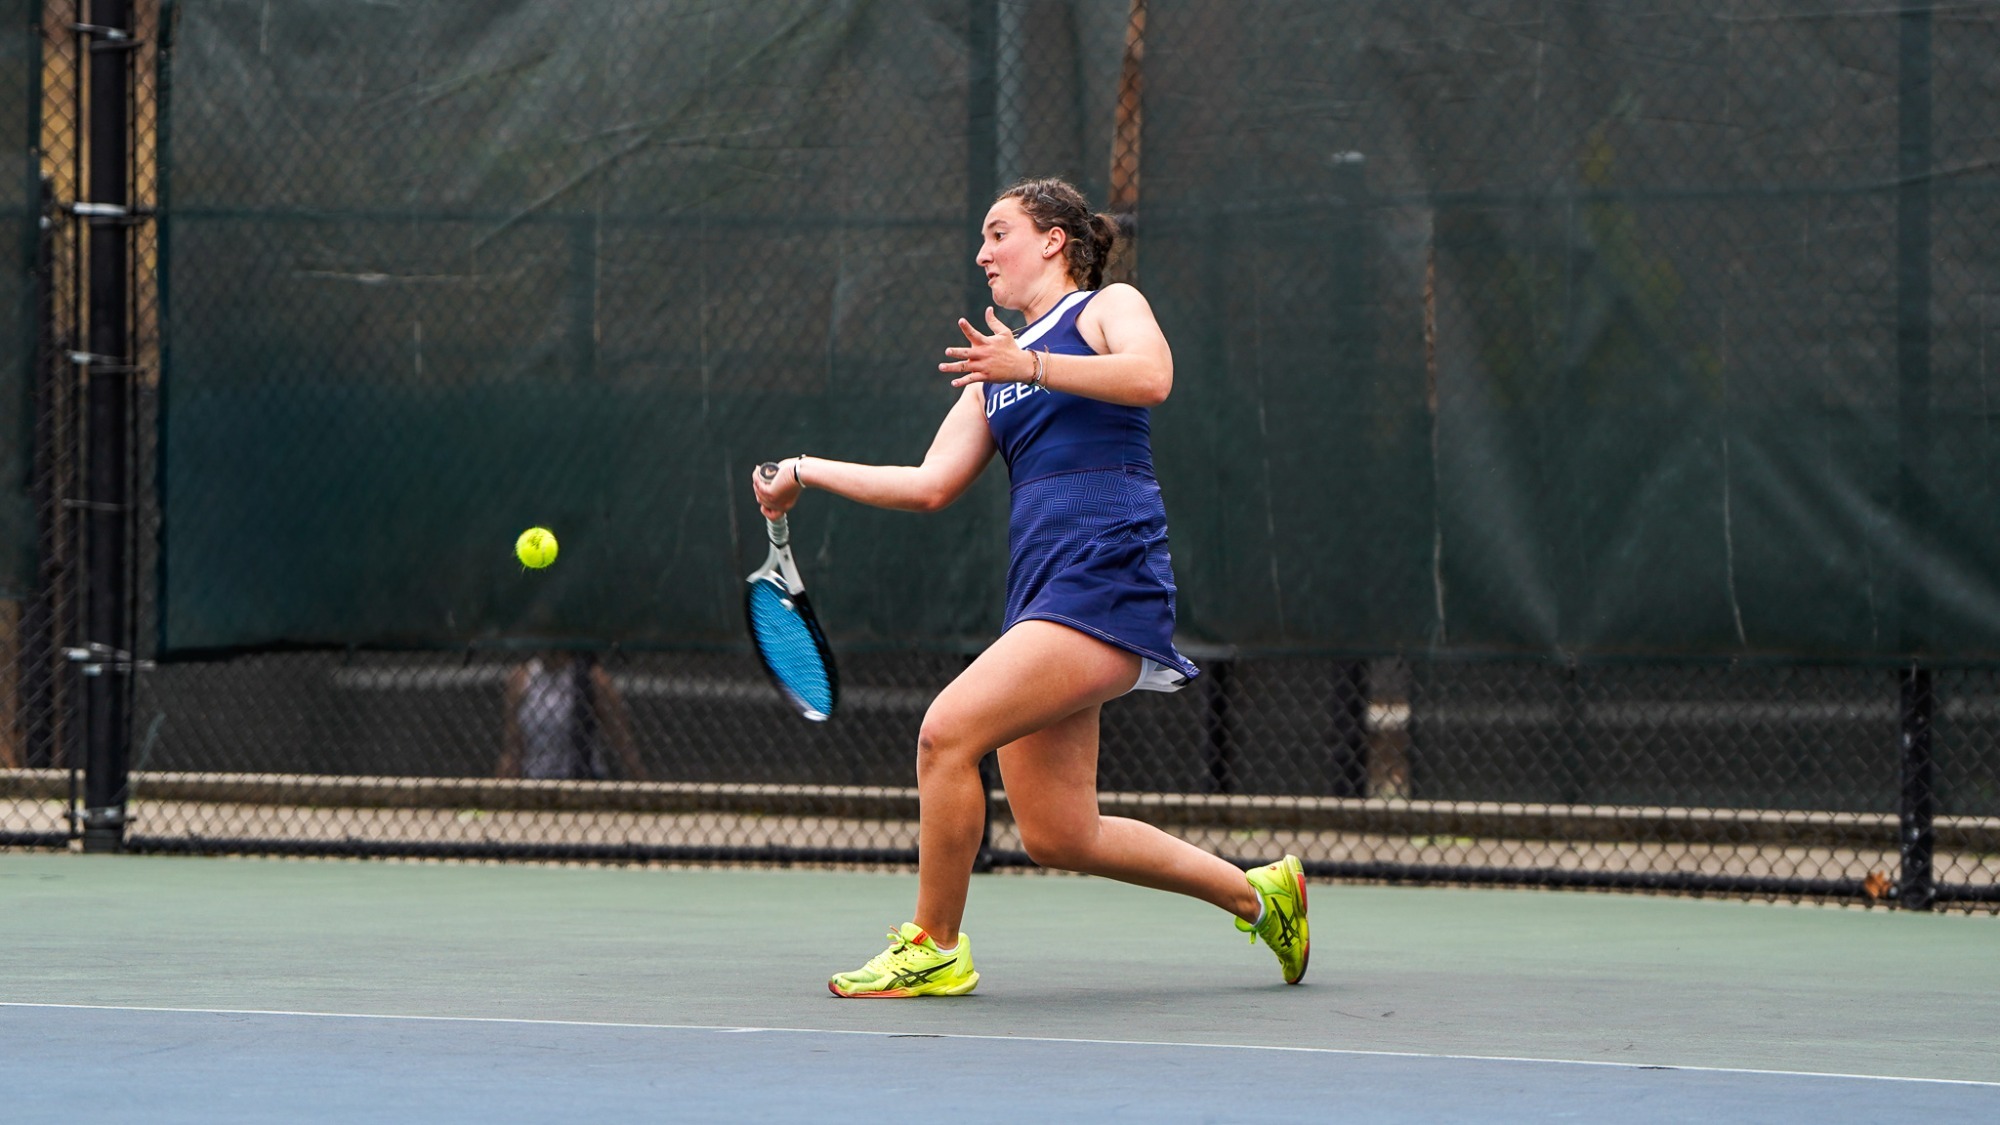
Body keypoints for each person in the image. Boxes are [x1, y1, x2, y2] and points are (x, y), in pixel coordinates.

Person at [751, 177, 1309, 996]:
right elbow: (929, 482)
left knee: (945, 734)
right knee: (1058, 831)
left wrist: (1033, 363)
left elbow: (1152, 377)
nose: (982, 252)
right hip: (1043, 592)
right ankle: (1261, 896)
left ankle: (933, 945)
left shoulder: (1105, 308)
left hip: (1107, 577)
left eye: (997, 231)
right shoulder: (993, 372)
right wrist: (803, 468)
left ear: (1053, 239)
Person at [497, 651, 645, 782]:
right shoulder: (521, 678)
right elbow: (512, 749)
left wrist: (642, 785)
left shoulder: (590, 677)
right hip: (536, 780)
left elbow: (623, 743)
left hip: (581, 780)